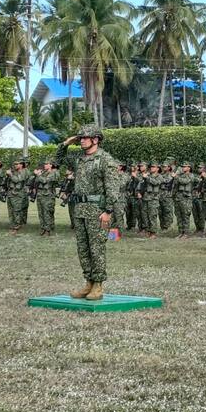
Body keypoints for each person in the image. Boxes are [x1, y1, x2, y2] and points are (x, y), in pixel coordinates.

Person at [55, 125, 120, 301]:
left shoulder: (105, 160)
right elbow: (58, 160)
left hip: (98, 211)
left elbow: (112, 188)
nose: (81, 140)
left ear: (96, 139)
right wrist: (66, 143)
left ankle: (98, 284)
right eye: (80, 138)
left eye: (85, 137)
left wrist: (108, 211)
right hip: (80, 210)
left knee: (96, 248)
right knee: (83, 249)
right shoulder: (79, 159)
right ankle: (88, 282)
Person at [34, 158, 60, 235]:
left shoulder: (54, 173)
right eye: (44, 164)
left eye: (46, 164)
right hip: (40, 194)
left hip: (48, 195)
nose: (44, 165)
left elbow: (45, 181)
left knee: (47, 212)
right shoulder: (43, 172)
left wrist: (38, 175)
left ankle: (48, 229)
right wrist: (39, 174)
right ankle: (43, 228)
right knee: (41, 213)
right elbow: (37, 181)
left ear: (51, 165)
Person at [5, 159, 32, 233]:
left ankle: (17, 226)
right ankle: (12, 225)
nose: (15, 165)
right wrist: (8, 175)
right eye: (14, 164)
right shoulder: (14, 172)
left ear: (21, 165)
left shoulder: (24, 172)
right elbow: (8, 182)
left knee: (17, 211)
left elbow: (17, 180)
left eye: (17, 164)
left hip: (18, 194)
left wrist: (10, 174)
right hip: (11, 193)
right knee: (11, 211)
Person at [141, 162, 163, 239]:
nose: (151, 168)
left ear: (158, 168)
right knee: (145, 215)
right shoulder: (148, 175)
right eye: (151, 167)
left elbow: (156, 183)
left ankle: (153, 232)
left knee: (152, 215)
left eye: (153, 167)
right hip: (145, 198)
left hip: (153, 199)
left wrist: (147, 178)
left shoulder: (159, 176)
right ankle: (148, 230)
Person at [173, 161, 194, 238]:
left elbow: (185, 181)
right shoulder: (180, 175)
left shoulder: (191, 175)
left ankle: (186, 233)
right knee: (179, 216)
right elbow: (175, 185)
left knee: (185, 216)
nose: (183, 168)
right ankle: (180, 232)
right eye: (182, 166)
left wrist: (176, 177)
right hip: (178, 197)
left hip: (186, 198)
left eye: (185, 166)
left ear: (189, 168)